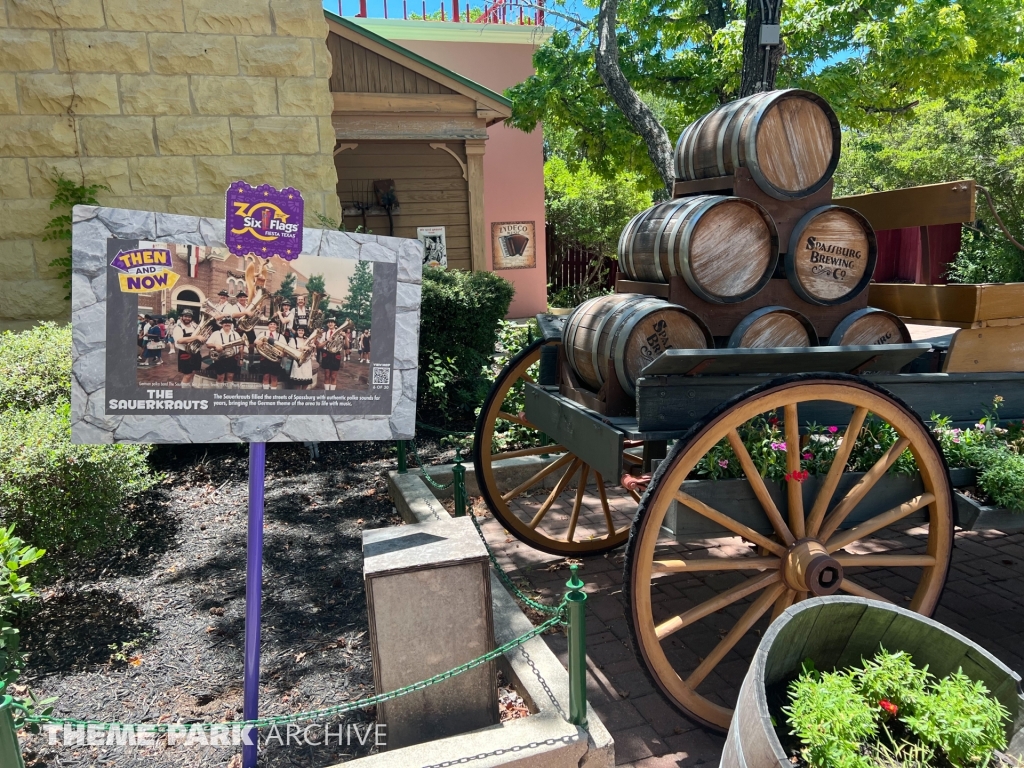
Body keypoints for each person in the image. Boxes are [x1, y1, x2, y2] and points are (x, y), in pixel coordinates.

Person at [207, 317, 242, 387]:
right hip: (220, 358)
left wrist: (241, 358)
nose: (227, 324)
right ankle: (220, 394)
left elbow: (240, 347)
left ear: (231, 324)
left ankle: (228, 394)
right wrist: (215, 345)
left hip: (232, 358)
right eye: (225, 322)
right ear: (222, 324)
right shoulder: (216, 333)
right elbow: (208, 344)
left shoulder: (236, 334)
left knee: (230, 377)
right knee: (220, 377)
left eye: (229, 323)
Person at [171, 309, 202, 387]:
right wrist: (196, 337)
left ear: (191, 318)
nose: (187, 318)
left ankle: (189, 389)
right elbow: (180, 340)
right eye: (185, 316)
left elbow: (200, 336)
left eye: (189, 317)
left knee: (194, 373)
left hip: (196, 352)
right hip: (185, 353)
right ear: (182, 317)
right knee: (187, 375)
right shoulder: (178, 328)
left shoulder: (194, 326)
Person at [255, 319, 286, 389]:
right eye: (271, 324)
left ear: (276, 326)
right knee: (265, 376)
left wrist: (282, 353)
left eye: (274, 324)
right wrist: (257, 342)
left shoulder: (280, 336)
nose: (272, 325)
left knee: (274, 377)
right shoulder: (263, 334)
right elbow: (255, 341)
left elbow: (284, 348)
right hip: (264, 358)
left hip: (275, 359)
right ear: (268, 326)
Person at [318, 318, 342, 390]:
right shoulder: (324, 334)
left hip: (336, 354)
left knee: (334, 376)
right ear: (327, 324)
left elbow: (346, 346)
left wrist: (345, 337)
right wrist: (327, 341)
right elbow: (319, 346)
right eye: (329, 322)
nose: (330, 324)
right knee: (327, 375)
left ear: (335, 324)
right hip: (327, 354)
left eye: (332, 322)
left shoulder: (339, 333)